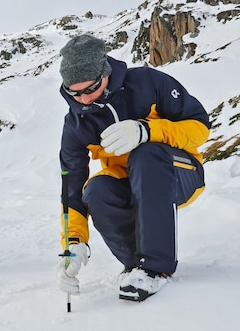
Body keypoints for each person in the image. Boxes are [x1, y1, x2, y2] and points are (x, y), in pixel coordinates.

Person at [54, 34, 210, 302]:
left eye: (90, 89)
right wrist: (73, 243)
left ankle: (156, 268)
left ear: (105, 73)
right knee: (96, 189)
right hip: (132, 184)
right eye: (74, 93)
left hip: (180, 173)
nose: (84, 100)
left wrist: (147, 130)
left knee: (145, 154)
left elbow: (200, 128)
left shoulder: (147, 83)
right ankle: (135, 265)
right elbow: (72, 186)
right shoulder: (75, 124)